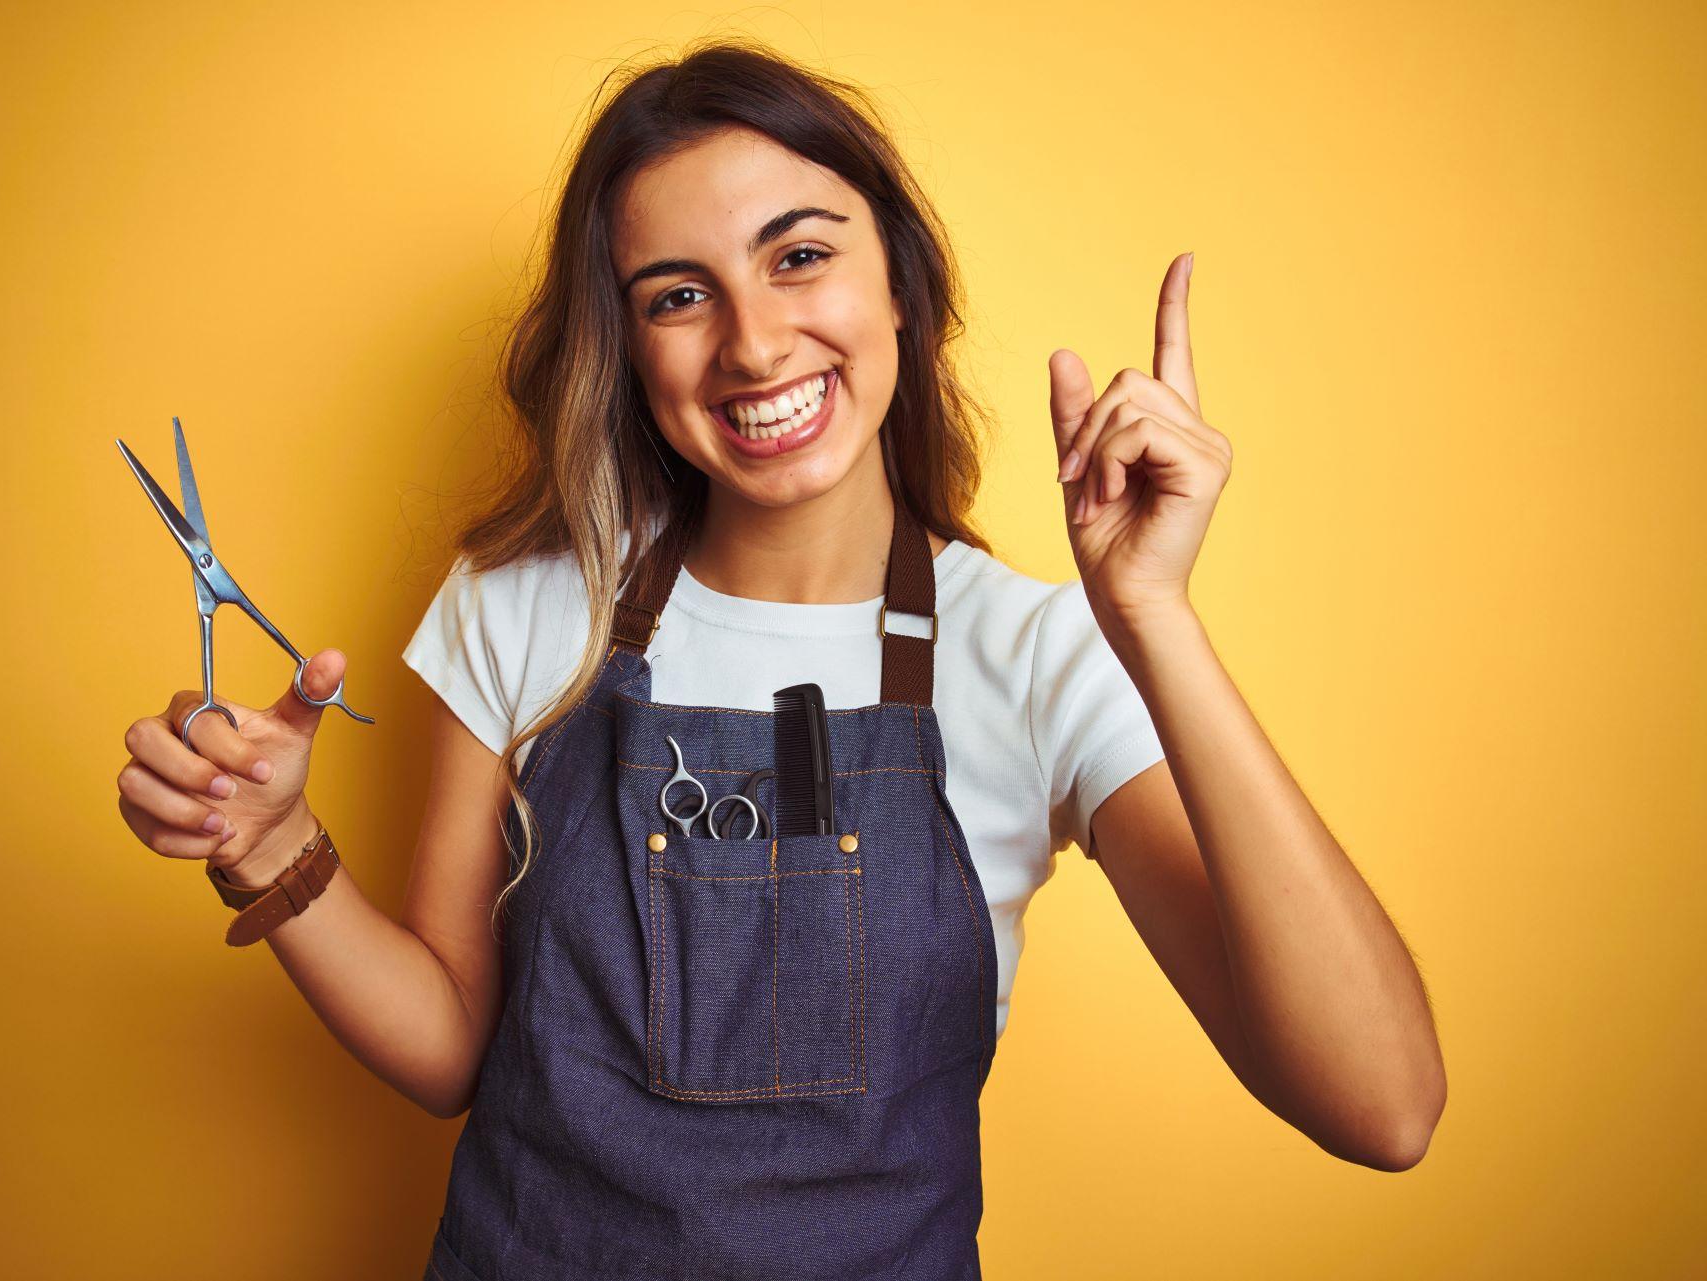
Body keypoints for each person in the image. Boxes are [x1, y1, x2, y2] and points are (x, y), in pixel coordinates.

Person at [114, 39, 1446, 1280]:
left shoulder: (1036, 656)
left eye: (799, 256)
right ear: (628, 349)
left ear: (901, 283)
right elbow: (454, 1044)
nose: (752, 343)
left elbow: (1382, 1106)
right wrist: (273, 845)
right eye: (679, 295)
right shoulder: (522, 607)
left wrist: (1153, 614)